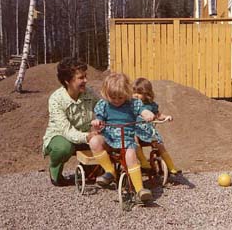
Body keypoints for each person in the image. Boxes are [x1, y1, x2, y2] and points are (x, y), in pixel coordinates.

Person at [90, 72, 155, 202]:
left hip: (127, 139)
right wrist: (96, 123)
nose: (117, 100)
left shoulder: (133, 103)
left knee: (131, 155)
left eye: (120, 97)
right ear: (106, 94)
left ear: (126, 93)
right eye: (113, 97)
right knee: (94, 141)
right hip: (109, 137)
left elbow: (142, 110)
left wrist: (147, 113)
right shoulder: (104, 104)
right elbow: (99, 118)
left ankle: (140, 189)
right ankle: (110, 171)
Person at [43, 57, 103, 187]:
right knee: (63, 148)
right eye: (81, 78)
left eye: (85, 76)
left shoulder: (89, 93)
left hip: (86, 135)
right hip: (62, 136)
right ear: (67, 81)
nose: (85, 80)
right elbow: (66, 130)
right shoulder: (56, 99)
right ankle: (55, 172)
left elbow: (102, 108)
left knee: (105, 140)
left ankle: (90, 169)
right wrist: (87, 136)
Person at [133, 77, 181, 175]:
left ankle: (171, 166)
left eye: (140, 93)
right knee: (133, 139)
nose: (136, 95)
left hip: (148, 131)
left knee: (160, 144)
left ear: (147, 93)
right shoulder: (131, 104)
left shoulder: (151, 105)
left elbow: (158, 115)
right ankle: (144, 162)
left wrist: (166, 117)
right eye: (135, 92)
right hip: (136, 130)